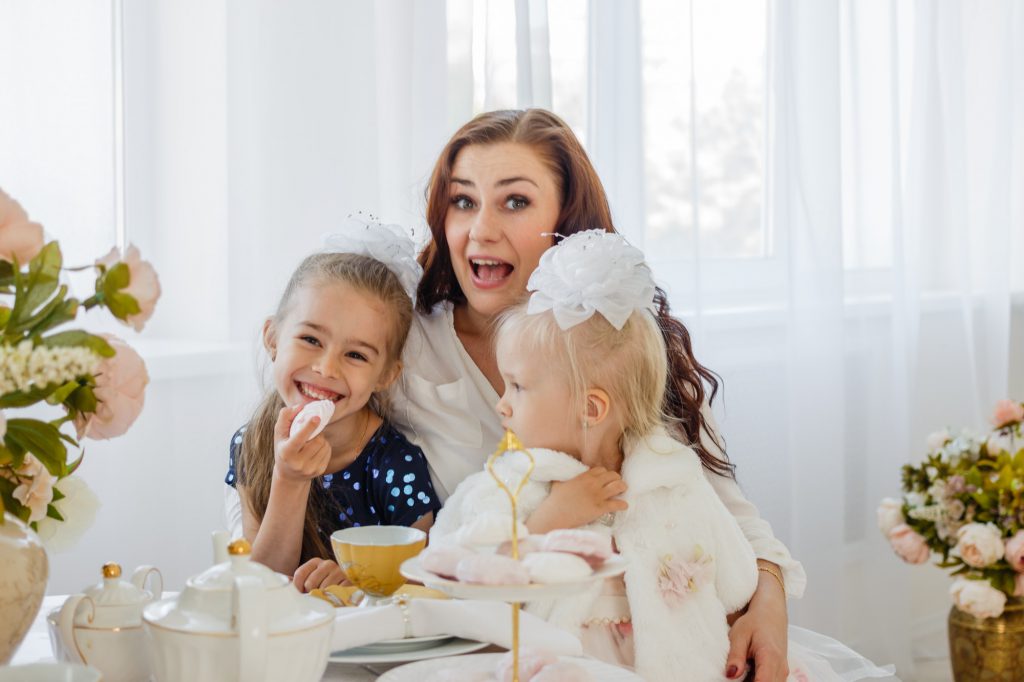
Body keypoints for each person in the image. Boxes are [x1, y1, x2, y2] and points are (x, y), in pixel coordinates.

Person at [389, 108, 804, 680]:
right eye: (463, 201)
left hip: (657, 645)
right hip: (501, 647)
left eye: (514, 202)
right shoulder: (401, 346)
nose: (480, 229)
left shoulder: (623, 346)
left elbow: (727, 516)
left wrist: (769, 607)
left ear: (566, 221)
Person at [428, 230, 895, 682]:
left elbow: (734, 576)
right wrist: (550, 518)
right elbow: (454, 571)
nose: (501, 403)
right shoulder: (511, 483)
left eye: (518, 386)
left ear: (592, 408)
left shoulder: (671, 476)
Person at [226, 218, 440, 592]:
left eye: (356, 354)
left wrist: (357, 584)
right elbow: (260, 585)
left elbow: (419, 585)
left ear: (386, 374)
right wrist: (289, 479)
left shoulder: (396, 465)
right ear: (273, 338)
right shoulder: (252, 443)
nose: (326, 368)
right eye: (310, 339)